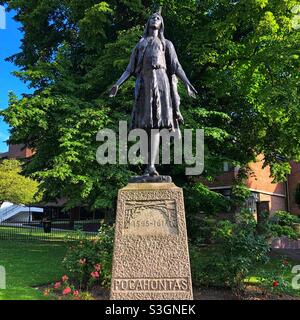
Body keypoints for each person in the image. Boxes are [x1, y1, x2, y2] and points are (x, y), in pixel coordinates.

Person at [109, 12, 197, 176]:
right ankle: (148, 165)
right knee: (145, 125)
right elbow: (129, 69)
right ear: (147, 23)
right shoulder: (140, 44)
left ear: (161, 23)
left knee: (156, 125)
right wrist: (117, 84)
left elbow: (176, 66)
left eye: (158, 18)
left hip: (161, 82)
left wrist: (187, 83)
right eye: (152, 17)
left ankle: (151, 166)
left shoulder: (166, 43)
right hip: (144, 83)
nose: (155, 19)